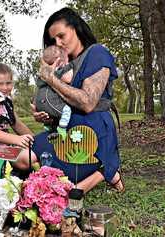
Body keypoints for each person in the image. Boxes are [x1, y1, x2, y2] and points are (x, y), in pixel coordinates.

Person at [31, 7, 125, 194]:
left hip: (93, 128)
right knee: (26, 154)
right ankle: (103, 171)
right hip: (66, 128)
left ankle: (105, 169)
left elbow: (88, 102)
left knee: (65, 177)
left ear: (76, 28)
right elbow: (62, 104)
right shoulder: (63, 65)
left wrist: (51, 78)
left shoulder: (96, 53)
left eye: (61, 36)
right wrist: (46, 115)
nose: (57, 43)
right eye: (53, 41)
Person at [35, 45, 73, 140]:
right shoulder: (58, 71)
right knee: (66, 110)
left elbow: (39, 84)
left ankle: (50, 127)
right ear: (59, 62)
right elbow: (68, 79)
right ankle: (62, 128)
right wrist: (71, 67)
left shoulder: (42, 73)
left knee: (53, 114)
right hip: (49, 99)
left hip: (40, 102)